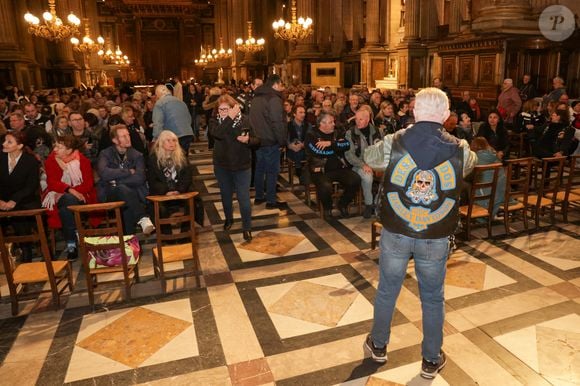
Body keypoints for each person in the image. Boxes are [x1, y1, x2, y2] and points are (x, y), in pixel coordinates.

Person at [363, 87, 476, 379]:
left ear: (414, 111)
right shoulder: (460, 148)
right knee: (432, 297)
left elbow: (371, 158)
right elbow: (470, 165)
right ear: (447, 116)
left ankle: (378, 345)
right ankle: (430, 359)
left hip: (397, 229)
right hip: (435, 233)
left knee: (388, 288)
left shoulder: (394, 141)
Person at [210, 95, 258, 241]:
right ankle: (229, 219)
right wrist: (229, 118)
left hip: (242, 165)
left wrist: (248, 140)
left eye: (226, 109)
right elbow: (217, 134)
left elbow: (257, 140)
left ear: (234, 108)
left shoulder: (245, 120)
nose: (223, 112)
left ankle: (247, 227)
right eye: (220, 109)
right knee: (226, 195)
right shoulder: (214, 121)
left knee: (243, 197)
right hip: (222, 165)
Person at [42, 135, 97, 260]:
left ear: (69, 149)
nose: (55, 149)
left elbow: (88, 184)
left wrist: (72, 192)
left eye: (59, 147)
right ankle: (75, 234)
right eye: (55, 145)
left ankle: (71, 243)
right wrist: (70, 190)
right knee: (68, 200)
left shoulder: (83, 161)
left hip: (83, 196)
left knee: (66, 204)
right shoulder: (51, 160)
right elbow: (52, 183)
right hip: (59, 196)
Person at [97, 124, 155, 236]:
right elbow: (104, 173)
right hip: (110, 194)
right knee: (123, 192)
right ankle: (142, 217)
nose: (128, 138)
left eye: (128, 135)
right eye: (123, 136)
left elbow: (140, 178)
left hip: (132, 193)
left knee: (125, 202)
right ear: (114, 140)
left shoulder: (137, 155)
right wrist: (128, 172)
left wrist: (116, 181)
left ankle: (129, 244)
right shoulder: (105, 154)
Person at [306, 111, 361, 220]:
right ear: (322, 123)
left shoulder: (338, 132)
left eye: (333, 122)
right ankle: (327, 208)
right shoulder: (311, 134)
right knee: (325, 186)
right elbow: (317, 152)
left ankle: (343, 204)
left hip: (339, 168)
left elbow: (346, 145)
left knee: (355, 180)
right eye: (331, 122)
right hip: (321, 170)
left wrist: (330, 144)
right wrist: (336, 148)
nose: (333, 124)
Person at [0, 131, 41, 262]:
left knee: (20, 217)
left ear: (20, 146)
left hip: (24, 199)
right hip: (1, 199)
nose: (4, 144)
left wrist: (14, 200)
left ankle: (26, 253)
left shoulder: (30, 161)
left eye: (9, 142)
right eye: (5, 141)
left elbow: (31, 186)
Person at [249, 74, 287, 210]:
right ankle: (271, 200)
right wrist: (282, 141)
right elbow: (277, 122)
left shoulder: (256, 97)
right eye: (281, 85)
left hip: (259, 140)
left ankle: (259, 196)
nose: (282, 89)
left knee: (260, 169)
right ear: (275, 84)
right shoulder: (273, 99)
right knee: (272, 171)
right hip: (271, 140)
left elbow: (251, 119)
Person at [147, 130, 193, 234]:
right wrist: (166, 191)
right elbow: (152, 180)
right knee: (160, 208)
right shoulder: (153, 158)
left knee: (192, 203)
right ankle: (166, 237)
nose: (172, 143)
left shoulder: (182, 156)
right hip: (162, 192)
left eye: (174, 140)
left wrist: (179, 190)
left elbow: (187, 176)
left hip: (181, 191)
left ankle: (185, 234)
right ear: (161, 143)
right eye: (168, 141)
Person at [345, 107, 382, 218]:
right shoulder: (350, 133)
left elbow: (384, 150)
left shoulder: (378, 131)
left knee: (389, 176)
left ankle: (378, 202)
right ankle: (369, 205)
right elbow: (349, 155)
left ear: (368, 119)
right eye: (356, 119)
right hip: (358, 164)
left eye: (360, 119)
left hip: (376, 163)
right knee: (367, 177)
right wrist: (363, 165)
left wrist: (381, 165)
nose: (357, 122)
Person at [470, 137, 506, 218]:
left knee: (466, 186)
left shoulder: (475, 157)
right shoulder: (495, 156)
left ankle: (473, 213)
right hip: (500, 195)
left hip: (485, 198)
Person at [152, 84, 194, 153]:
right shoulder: (180, 101)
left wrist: (156, 139)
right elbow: (189, 118)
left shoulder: (160, 103)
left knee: (175, 160)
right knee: (183, 158)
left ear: (158, 94)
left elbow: (158, 123)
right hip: (188, 133)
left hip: (174, 137)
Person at [287, 105, 311, 186]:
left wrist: (303, 145)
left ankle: (299, 170)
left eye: (304, 112)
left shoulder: (308, 125)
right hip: (292, 149)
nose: (303, 114)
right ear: (294, 114)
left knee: (301, 152)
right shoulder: (288, 125)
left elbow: (310, 138)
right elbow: (286, 139)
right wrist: (290, 145)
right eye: (300, 112)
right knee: (296, 151)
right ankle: (300, 171)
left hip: (305, 148)